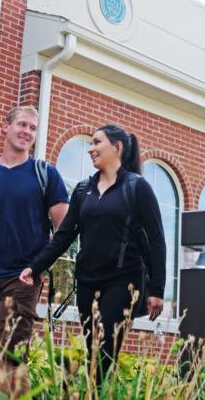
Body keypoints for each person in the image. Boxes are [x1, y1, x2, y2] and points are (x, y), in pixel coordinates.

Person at [19, 124, 166, 381]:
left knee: (104, 350)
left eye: (97, 143)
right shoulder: (82, 189)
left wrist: (157, 290)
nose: (90, 149)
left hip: (123, 281)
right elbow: (64, 235)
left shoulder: (137, 188)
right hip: (87, 281)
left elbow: (156, 240)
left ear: (117, 147)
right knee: (92, 350)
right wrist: (36, 265)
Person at [0, 106, 69, 390]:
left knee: (5, 350)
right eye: (22, 124)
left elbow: (65, 229)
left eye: (33, 128)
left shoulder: (45, 174)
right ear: (5, 127)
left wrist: (38, 268)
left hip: (22, 278)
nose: (27, 132)